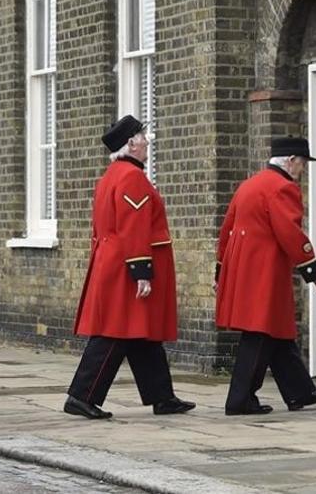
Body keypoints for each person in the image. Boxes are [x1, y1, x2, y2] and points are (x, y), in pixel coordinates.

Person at [64, 115, 195, 420]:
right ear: (131, 144)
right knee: (114, 333)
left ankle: (162, 397)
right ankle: (81, 396)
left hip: (113, 262)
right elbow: (133, 227)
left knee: (141, 334)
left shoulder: (113, 174)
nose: (147, 141)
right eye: (142, 137)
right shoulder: (132, 178)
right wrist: (141, 271)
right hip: (126, 266)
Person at [215, 137, 316, 415]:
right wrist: (313, 271)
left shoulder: (249, 184)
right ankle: (240, 399)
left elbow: (226, 228)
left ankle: (299, 391)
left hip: (242, 266)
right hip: (264, 271)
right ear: (291, 161)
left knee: (276, 330)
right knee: (260, 332)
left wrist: (220, 270)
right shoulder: (283, 188)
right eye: (302, 164)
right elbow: (289, 232)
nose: (302, 171)